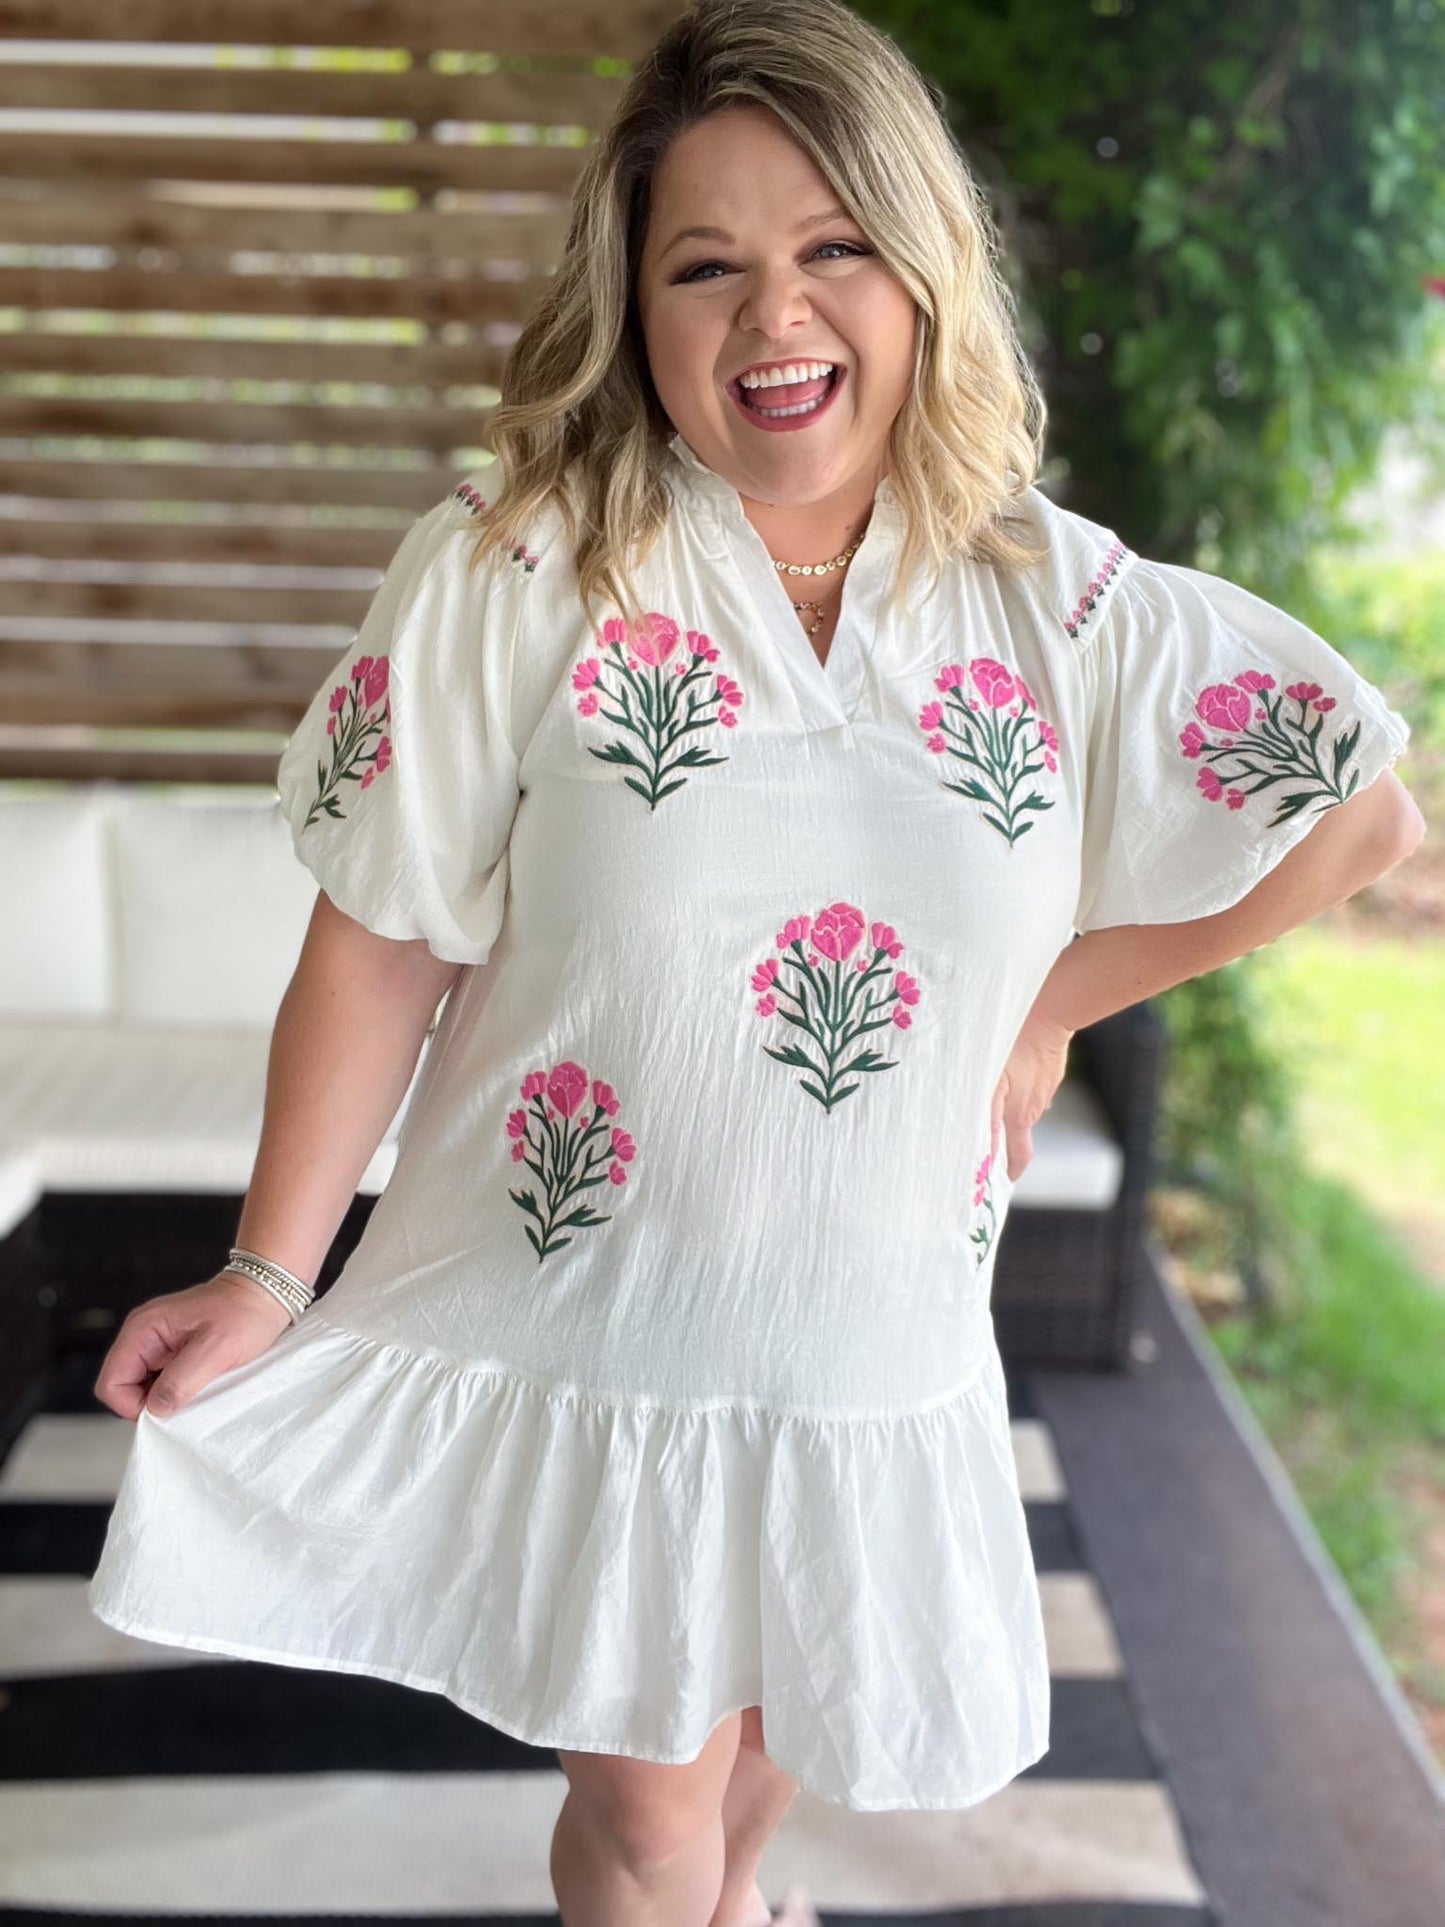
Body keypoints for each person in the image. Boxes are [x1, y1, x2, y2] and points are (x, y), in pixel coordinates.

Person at [85, 2, 1426, 1924]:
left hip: (868, 1346)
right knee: (649, 1822)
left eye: (831, 248)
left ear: (922, 270)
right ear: (632, 310)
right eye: (702, 266)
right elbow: (380, 939)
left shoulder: (1059, 600)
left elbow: (1356, 814)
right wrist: (266, 1272)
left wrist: (1048, 1001)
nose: (771, 316)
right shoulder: (518, 564)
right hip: (592, 1325)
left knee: (749, 1795)